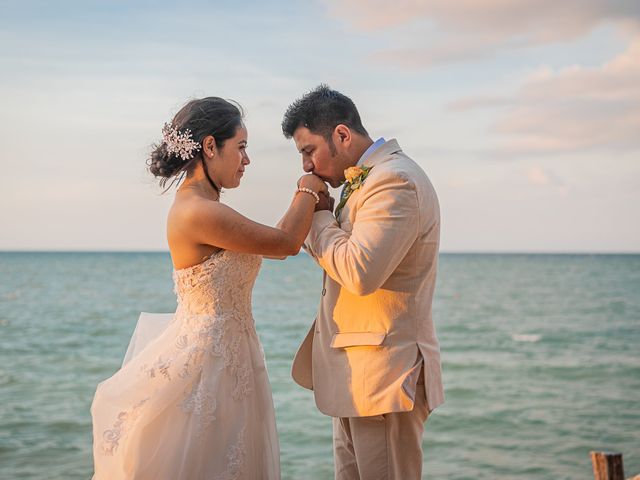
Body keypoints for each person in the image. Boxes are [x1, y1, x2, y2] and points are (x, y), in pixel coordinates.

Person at [91, 96, 326, 479]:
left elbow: (277, 239)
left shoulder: (205, 206)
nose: (247, 160)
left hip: (230, 357)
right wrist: (308, 186)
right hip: (207, 366)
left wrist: (306, 197)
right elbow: (284, 244)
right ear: (210, 147)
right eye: (242, 147)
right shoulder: (198, 212)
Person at [283, 85, 445, 480]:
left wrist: (320, 217)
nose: (306, 166)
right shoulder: (369, 180)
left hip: (385, 379)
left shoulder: (396, 182)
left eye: (308, 151)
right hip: (357, 378)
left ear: (341, 135)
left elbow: (359, 272)